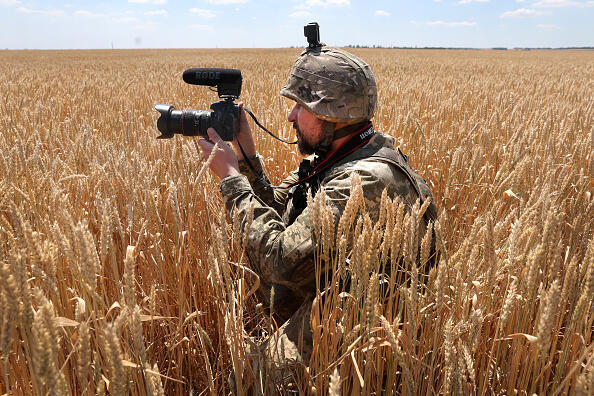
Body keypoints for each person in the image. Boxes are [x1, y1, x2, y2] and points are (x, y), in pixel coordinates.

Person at [197, 45, 436, 379]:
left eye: (300, 105)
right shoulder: (345, 156)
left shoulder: (363, 180)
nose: (290, 116)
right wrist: (247, 156)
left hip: (365, 343)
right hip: (338, 312)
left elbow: (279, 260)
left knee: (253, 376)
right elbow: (283, 208)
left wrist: (232, 180)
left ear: (331, 114)